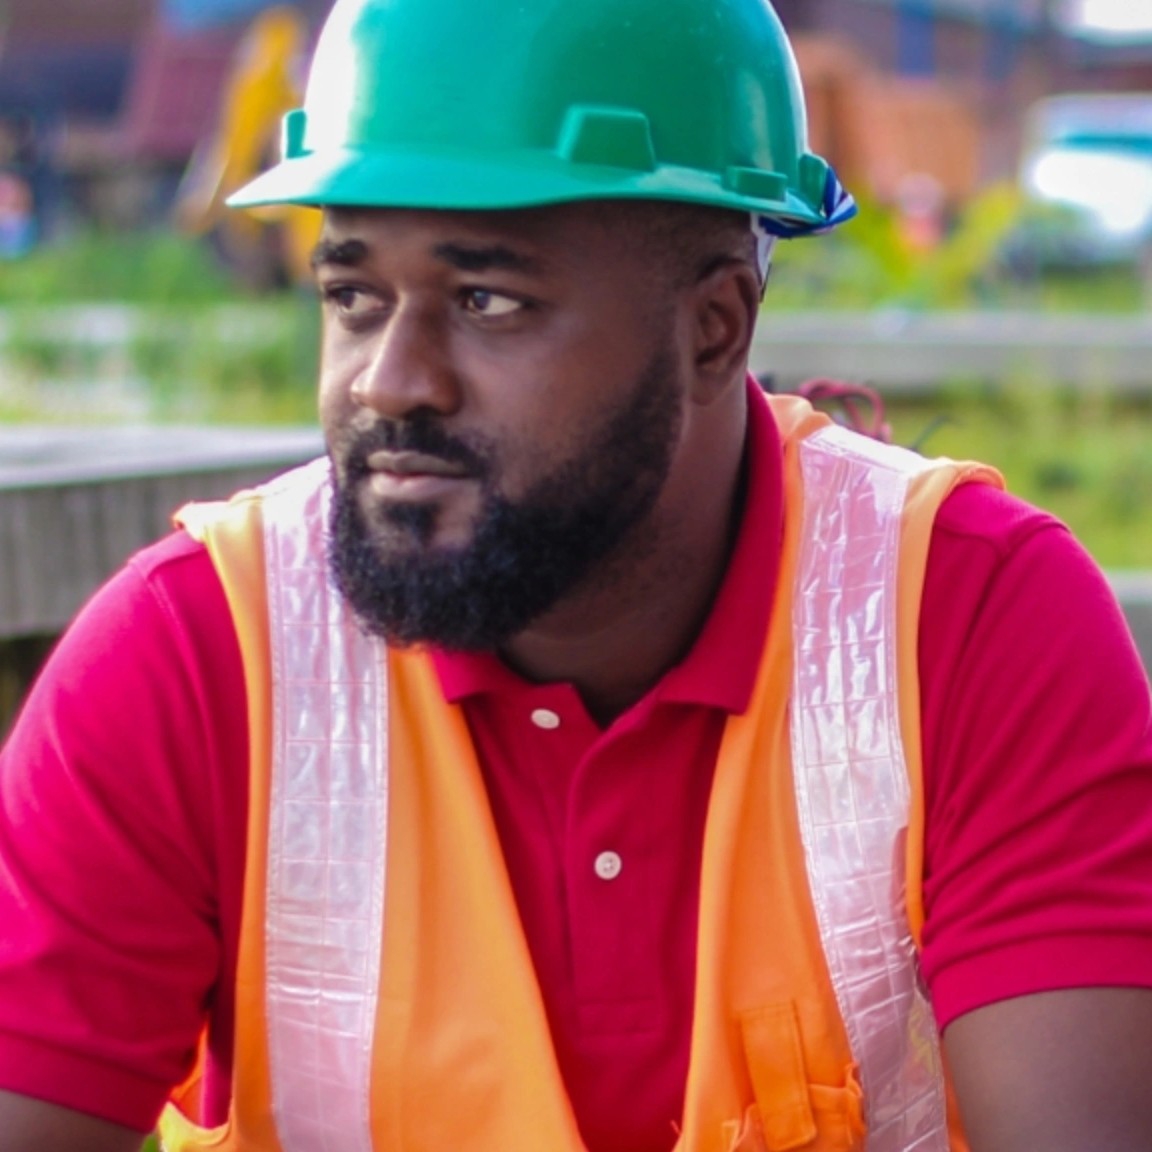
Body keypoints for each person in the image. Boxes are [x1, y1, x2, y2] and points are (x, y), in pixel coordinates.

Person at [2, 0, 1152, 1149]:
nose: (390, 381)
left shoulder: (962, 615)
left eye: (487, 301)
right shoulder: (199, 654)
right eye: (354, 297)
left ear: (714, 329)